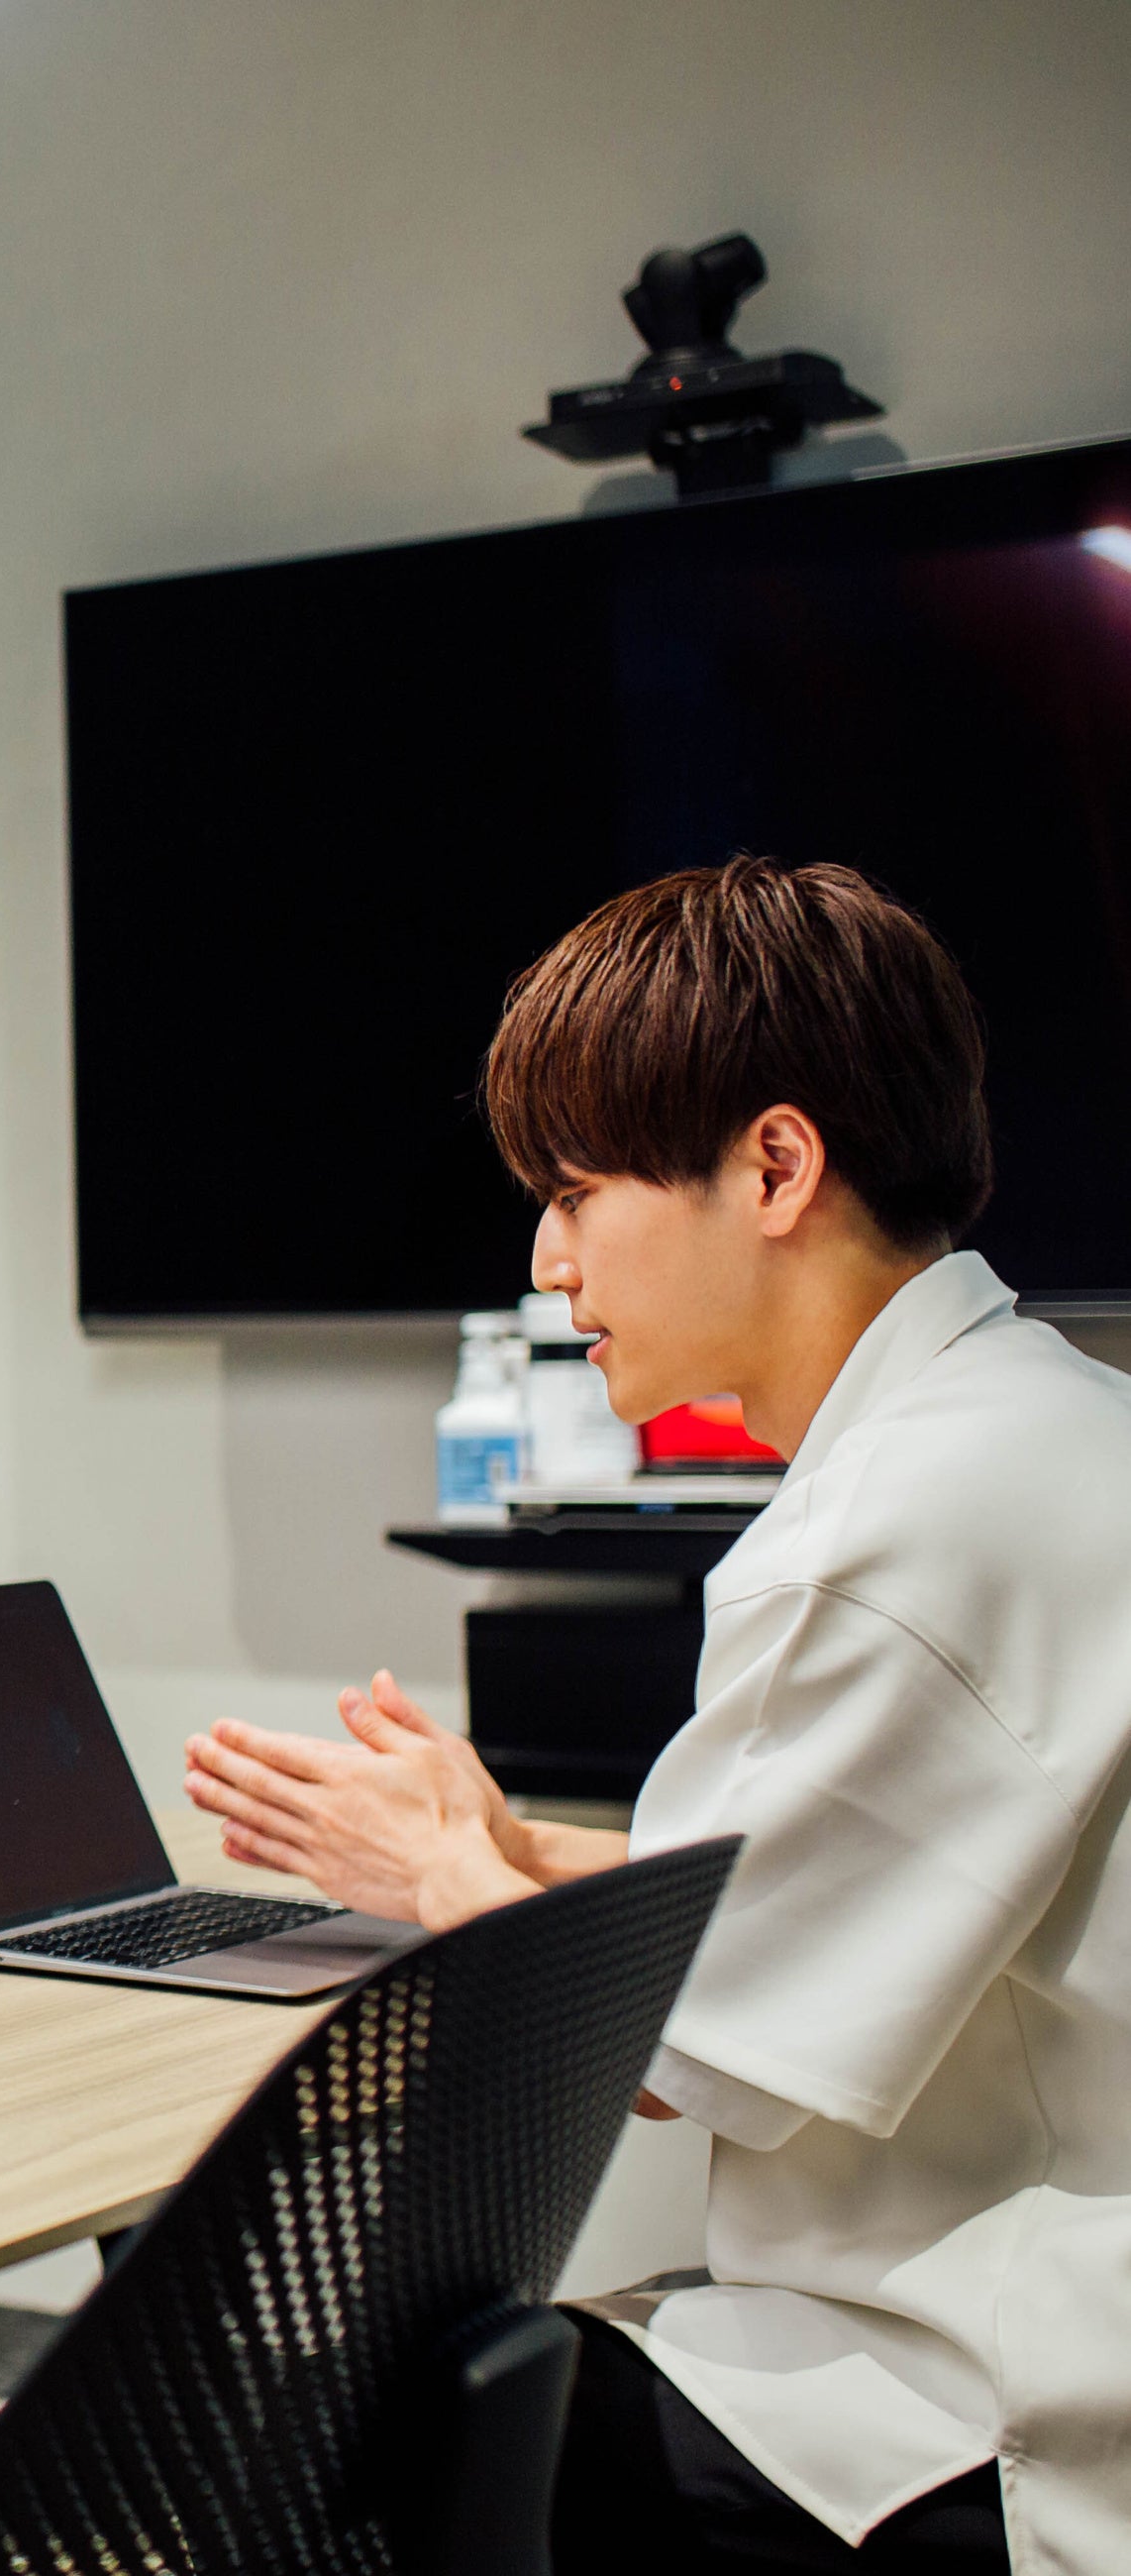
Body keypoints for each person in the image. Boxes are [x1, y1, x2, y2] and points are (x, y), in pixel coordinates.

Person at [179, 858, 1131, 2574]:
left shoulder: (892, 1528)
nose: (548, 1262)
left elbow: (673, 2062)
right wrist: (517, 1846)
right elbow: (819, 1888)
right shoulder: (1041, 1417)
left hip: (1011, 2398)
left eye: (575, 1193)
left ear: (775, 1166)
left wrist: (444, 1879)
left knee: (346, 2413)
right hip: (1039, 2282)